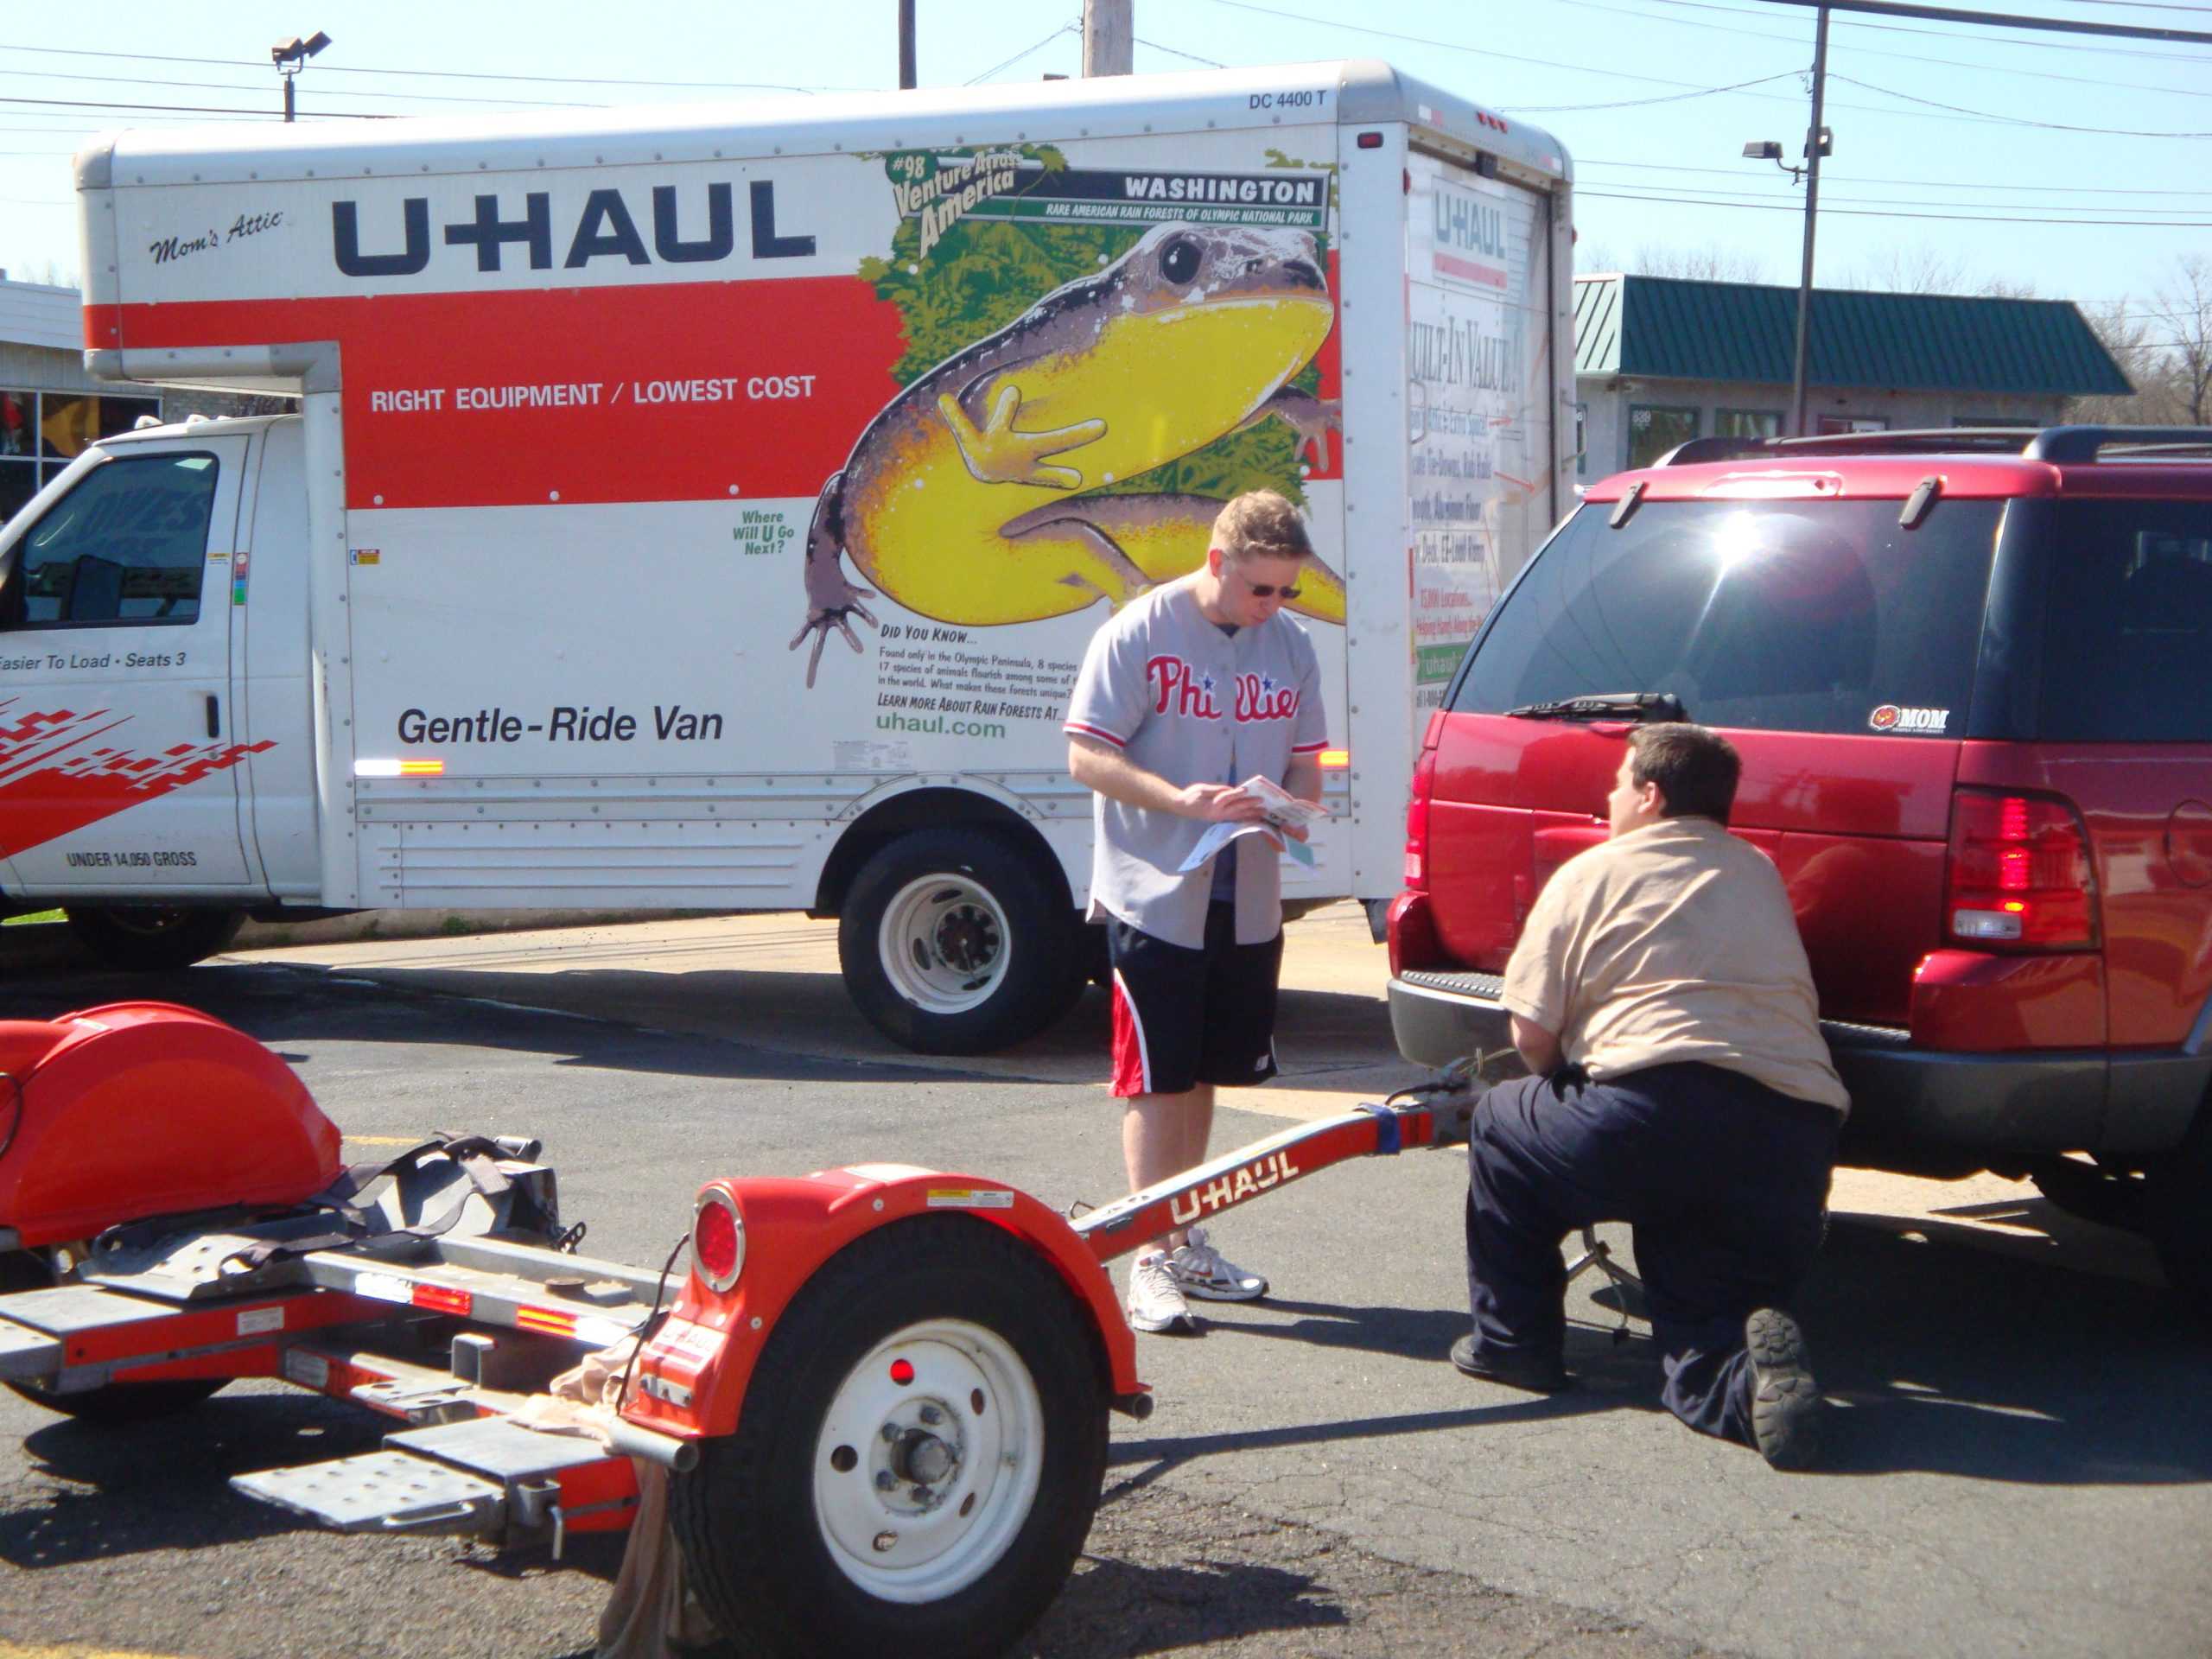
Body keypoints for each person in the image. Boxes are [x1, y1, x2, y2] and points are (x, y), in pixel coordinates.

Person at [1458, 722, 1848, 1470]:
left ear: (1649, 793)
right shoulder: (1759, 871)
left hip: (1649, 1115)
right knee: (1702, 1318)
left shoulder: (1591, 871)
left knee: (1504, 1122)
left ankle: (1515, 1346)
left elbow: (1532, 1036)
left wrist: (1569, 1071)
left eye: (1616, 783)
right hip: (1791, 1137)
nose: (1608, 797)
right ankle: (1743, 1382)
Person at [1064, 489, 1328, 1334]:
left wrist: (1293, 809)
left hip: (1245, 895)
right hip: (1156, 888)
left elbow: (1306, 759)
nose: (1276, 607)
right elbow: (1085, 755)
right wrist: (1179, 799)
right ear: (1217, 563)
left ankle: (1182, 1236)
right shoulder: (1138, 633)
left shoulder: (1290, 646)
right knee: (1156, 1075)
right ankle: (1145, 1257)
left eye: (1288, 591)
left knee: (1211, 1069)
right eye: (1262, 590)